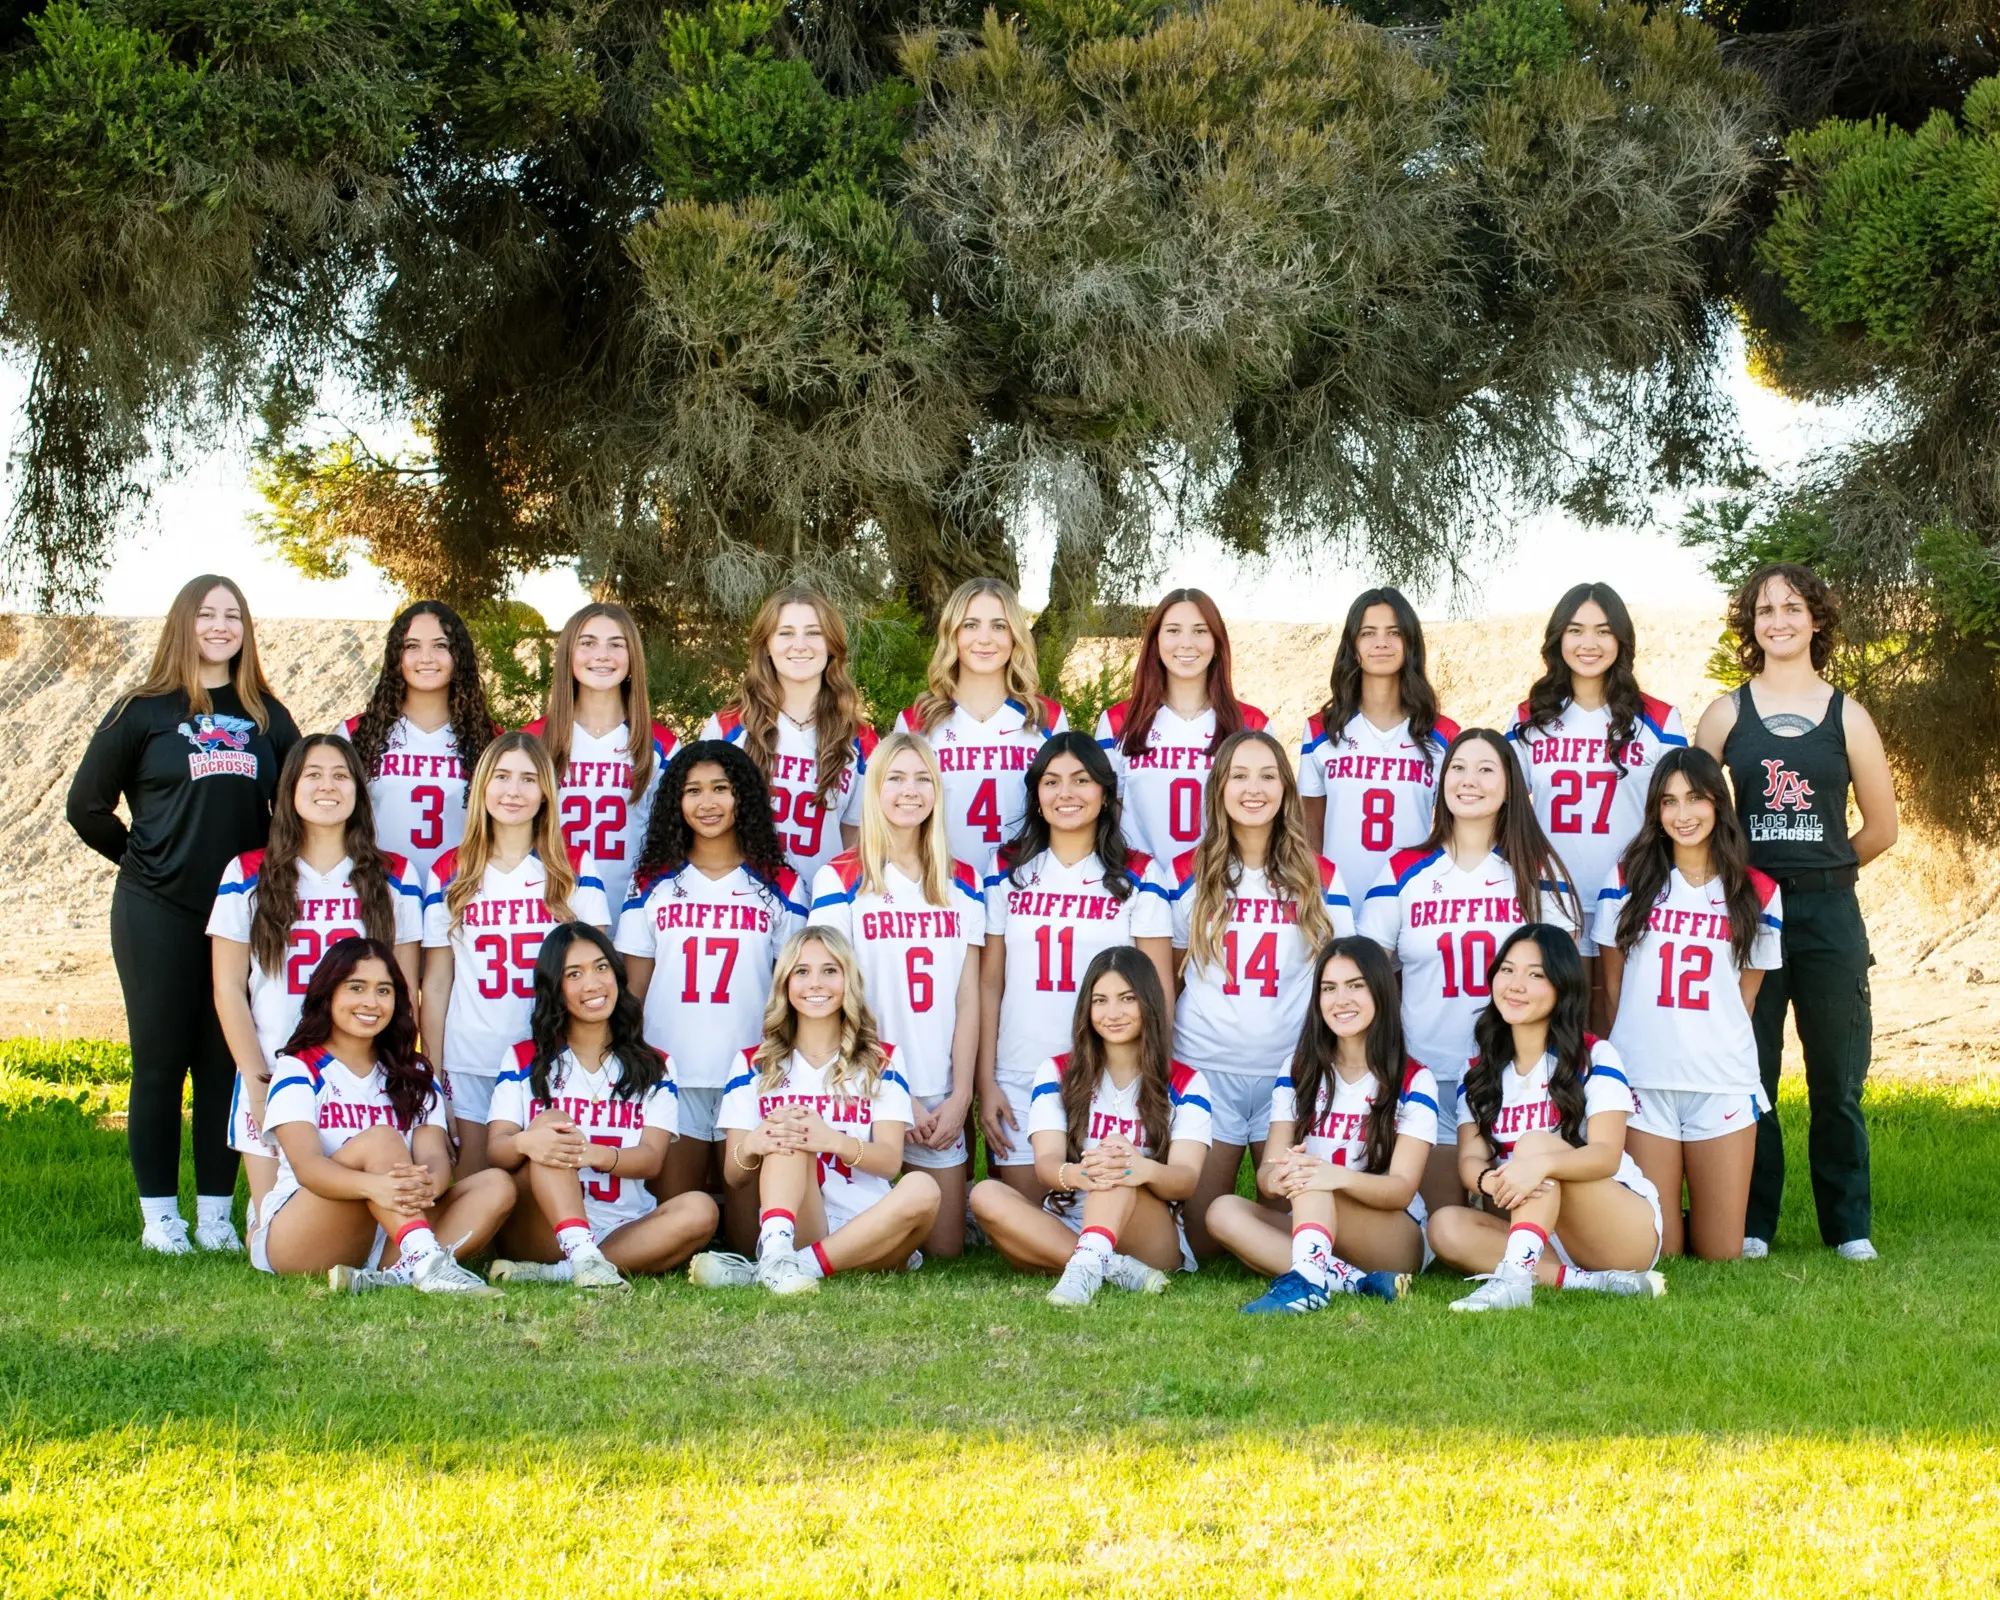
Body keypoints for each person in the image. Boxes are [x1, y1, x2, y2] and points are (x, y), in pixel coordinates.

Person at [68, 574, 301, 1254]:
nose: (220, 626)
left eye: (233, 615)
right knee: (160, 1061)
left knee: (226, 1060)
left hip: (241, 916)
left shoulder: (267, 717)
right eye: (207, 614)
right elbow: (86, 806)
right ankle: (160, 1219)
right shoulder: (141, 711)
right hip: (156, 911)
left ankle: (216, 1216)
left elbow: (295, 808)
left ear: (245, 629)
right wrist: (142, 861)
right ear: (183, 623)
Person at [1695, 561, 1899, 1261]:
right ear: (1750, 625)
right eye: (1765, 610)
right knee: (1750, 1075)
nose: (1778, 621)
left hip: (1828, 915)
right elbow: (1690, 814)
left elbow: (1881, 828)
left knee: (1836, 1080)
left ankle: (1849, 1227)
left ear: (1816, 620)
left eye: (1792, 608)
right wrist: (1751, 884)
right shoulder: (1725, 715)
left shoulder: (1849, 716)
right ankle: (1753, 1223)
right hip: (1747, 915)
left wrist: (1822, 872)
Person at [1357, 727, 1581, 1216]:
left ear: (1511, 784)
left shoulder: (1538, 870)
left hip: (1513, 1078)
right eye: (1457, 768)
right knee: (1440, 1224)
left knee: (1506, 1218)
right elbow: (1367, 973)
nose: (1469, 780)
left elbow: (1564, 978)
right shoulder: (1404, 870)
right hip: (1427, 1071)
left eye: (1485, 769)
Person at [209, 735, 424, 1228]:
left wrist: (399, 1071)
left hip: (362, 1074)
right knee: (277, 1230)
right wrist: (257, 1081)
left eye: (341, 775)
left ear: (359, 791)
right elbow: (228, 988)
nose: (328, 786)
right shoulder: (247, 873)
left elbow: (405, 989)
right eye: (313, 775)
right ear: (290, 789)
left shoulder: (395, 876)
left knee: (366, 1220)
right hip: (274, 1065)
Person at [1165, 729, 1354, 1259]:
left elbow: (1345, 975)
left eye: (1268, 776)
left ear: (1286, 789)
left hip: (1289, 1072)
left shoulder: (1320, 875)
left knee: (1295, 1225)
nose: (1254, 788)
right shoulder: (1184, 873)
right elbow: (1171, 975)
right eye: (1240, 776)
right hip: (1207, 1068)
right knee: (1201, 1245)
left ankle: (1319, 1269)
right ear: (1219, 788)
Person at [1595, 749, 1783, 1259]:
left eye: (1695, 798)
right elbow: (1613, 987)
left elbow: (1745, 998)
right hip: (1645, 1079)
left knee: (1720, 1252)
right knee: (1663, 1250)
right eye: (1669, 801)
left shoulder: (1758, 892)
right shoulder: (1626, 880)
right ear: (1656, 810)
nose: (1683, 814)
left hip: (1720, 1080)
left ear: (1718, 803)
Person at [808, 732, 985, 1256]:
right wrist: (891, 1090)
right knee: (856, 1235)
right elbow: (832, 993)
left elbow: (968, 996)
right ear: (875, 789)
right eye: (896, 778)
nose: (911, 790)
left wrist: (961, 1096)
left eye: (923, 779)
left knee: (945, 1251)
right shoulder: (839, 878)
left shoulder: (964, 882)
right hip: (864, 1082)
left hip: (937, 1089)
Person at [1427, 926, 1668, 1311]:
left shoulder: (1595, 1056)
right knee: (1445, 1226)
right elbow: (1470, 1160)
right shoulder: (1477, 1071)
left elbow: (1606, 1155)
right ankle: (1588, 1283)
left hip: (1617, 1227)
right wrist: (1491, 1182)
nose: (1515, 984)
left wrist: (1537, 1165)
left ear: (1562, 985)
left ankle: (1514, 1280)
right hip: (1537, 1228)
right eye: (1507, 970)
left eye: (1535, 974)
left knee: (1534, 1144)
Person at [688, 929, 941, 1294]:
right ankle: (779, 1254)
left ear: (848, 979)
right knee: (788, 1129)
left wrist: (832, 1140)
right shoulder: (753, 1064)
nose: (816, 983)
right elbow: (734, 1175)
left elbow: (890, 1163)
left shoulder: (881, 1060)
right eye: (802, 971)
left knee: (923, 1188)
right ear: (785, 983)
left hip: (874, 1229)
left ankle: (777, 1269)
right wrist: (755, 1144)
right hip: (801, 1226)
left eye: (830, 970)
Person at [255, 937, 513, 1293]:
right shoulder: (299, 1068)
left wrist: (428, 1184)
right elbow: (308, 1167)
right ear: (328, 993)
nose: (371, 1002)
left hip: (390, 1231)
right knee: (381, 1139)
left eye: (384, 990)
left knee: (495, 1185)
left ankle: (392, 1276)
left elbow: (435, 1158)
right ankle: (428, 1262)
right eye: (356, 987)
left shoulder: (415, 1073)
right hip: (304, 1233)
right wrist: (375, 1187)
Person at [977, 732, 1175, 1196]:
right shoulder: (1007, 868)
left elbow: (1158, 990)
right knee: (1030, 1215)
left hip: (1112, 1075)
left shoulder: (1140, 873)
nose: (1066, 793)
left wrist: (1151, 1078)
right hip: (1021, 1068)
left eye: (1081, 780)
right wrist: (986, 1082)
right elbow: (989, 983)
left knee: (1106, 1203)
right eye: (1052, 782)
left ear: (1105, 792)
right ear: (1037, 795)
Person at [614, 741, 805, 1218]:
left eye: (721, 788)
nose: (707, 802)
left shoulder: (780, 883)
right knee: (677, 1217)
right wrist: (633, 1061)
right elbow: (634, 988)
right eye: (693, 790)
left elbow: (794, 988)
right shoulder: (652, 881)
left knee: (748, 1234)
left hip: (752, 1072)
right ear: (675, 801)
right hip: (672, 1071)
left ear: (743, 796)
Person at [968, 948, 1211, 1307]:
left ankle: (1084, 1264)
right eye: (1100, 1000)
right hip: (1070, 1217)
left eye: (1127, 998)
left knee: (1116, 1164)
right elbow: (1047, 1164)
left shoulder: (1186, 1082)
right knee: (985, 1194)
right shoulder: (1057, 1072)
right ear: (1087, 1008)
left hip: (1146, 1230)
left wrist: (1137, 1168)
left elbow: (1185, 1179)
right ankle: (1107, 1266)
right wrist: (1084, 1174)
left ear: (1149, 1002)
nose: (1112, 1013)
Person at [1206, 938, 1433, 1312]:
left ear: (1381, 990)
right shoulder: (1298, 1070)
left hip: (1391, 1232)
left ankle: (1309, 1281)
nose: (1341, 1000)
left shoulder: (1413, 1078)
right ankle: (1355, 1283)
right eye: (1329, 988)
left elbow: (1401, 1190)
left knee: (1312, 1179)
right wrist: (1281, 1177)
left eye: (1355, 985)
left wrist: (1332, 1177)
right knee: (1223, 1211)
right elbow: (1266, 1175)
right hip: (1313, 1220)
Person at [485, 923, 717, 1288]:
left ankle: (567, 1271)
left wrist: (592, 1154)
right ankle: (579, 1253)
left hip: (624, 1226)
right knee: (552, 1127)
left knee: (701, 1209)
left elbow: (651, 1159)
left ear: (617, 974)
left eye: (601, 967)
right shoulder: (523, 1059)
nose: (593, 984)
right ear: (554, 987)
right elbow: (497, 1150)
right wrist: (528, 1142)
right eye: (574, 974)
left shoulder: (655, 1065)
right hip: (542, 1229)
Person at [421, 732, 606, 1175]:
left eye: (528, 779)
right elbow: (438, 982)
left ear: (545, 793)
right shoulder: (450, 870)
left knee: (546, 1182)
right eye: (502, 776)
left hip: (552, 1053)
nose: (513, 791)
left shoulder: (573, 867)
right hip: (471, 1056)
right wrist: (434, 1075)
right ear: (483, 785)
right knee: (478, 1186)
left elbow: (598, 978)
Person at [1507, 584, 1687, 1031]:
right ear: (1558, 638)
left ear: (1621, 639)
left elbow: (1678, 811)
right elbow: (1504, 809)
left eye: (1603, 631)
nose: (1589, 643)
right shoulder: (1529, 718)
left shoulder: (1659, 720)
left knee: (1618, 1023)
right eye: (1576, 630)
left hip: (1632, 893)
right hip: (1550, 895)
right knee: (1556, 1026)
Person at [703, 586, 877, 886]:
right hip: (742, 903)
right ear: (766, 645)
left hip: (821, 905)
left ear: (831, 644)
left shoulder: (859, 740)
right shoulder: (727, 728)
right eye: (785, 633)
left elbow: (854, 838)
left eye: (814, 633)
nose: (800, 645)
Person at [1298, 588, 1458, 900]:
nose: (1381, 643)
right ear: (1352, 644)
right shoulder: (1321, 730)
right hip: (1337, 901)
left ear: (1410, 642)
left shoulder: (1442, 733)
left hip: (1410, 899)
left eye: (1394, 632)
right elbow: (1310, 831)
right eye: (1368, 633)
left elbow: (1451, 833)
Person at [896, 577, 1068, 865]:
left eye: (999, 626)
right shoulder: (917, 722)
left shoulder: (1046, 718)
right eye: (971, 625)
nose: (984, 638)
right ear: (952, 633)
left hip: (1025, 882)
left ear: (1015, 635)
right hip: (942, 884)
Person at [525, 601, 679, 916]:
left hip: (634, 911)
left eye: (616, 644)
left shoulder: (661, 745)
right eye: (588, 643)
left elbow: (673, 841)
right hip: (547, 909)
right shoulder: (532, 741)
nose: (602, 655)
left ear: (633, 657)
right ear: (568, 654)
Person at [1094, 588, 1267, 862]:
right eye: (1173, 630)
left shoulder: (1251, 724)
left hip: (1222, 881)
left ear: (1217, 641)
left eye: (1200, 631)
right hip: (1140, 883)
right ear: (1156, 641)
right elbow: (1104, 814)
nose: (1186, 643)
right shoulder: (1119, 722)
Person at [343, 601, 496, 885]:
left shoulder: (490, 739)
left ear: (459, 654)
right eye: (412, 646)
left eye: (440, 645)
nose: (426, 658)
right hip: (379, 891)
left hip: (460, 891)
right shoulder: (356, 733)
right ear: (396, 656)